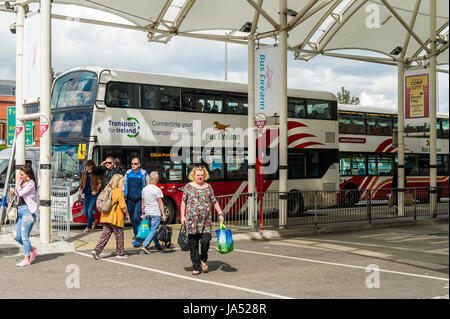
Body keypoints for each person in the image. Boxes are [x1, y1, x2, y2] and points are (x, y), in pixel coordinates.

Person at [180, 166, 225, 275]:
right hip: (192, 221)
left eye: (202, 175)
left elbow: (214, 201)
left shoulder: (208, 187)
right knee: (194, 245)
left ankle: (202, 259)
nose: (200, 177)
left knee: (206, 240)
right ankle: (196, 267)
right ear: (193, 176)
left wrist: (220, 213)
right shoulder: (188, 187)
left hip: (205, 221)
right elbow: (183, 202)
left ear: (204, 175)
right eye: (198, 175)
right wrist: (183, 216)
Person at [92, 174, 130, 260]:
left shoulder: (106, 189)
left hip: (105, 216)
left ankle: (96, 250)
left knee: (105, 235)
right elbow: (123, 206)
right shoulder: (118, 191)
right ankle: (120, 253)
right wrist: (127, 214)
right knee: (119, 234)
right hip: (115, 217)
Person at [10, 166, 38, 267]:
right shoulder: (23, 183)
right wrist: (13, 193)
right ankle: (33, 250)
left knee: (24, 236)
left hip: (28, 212)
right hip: (20, 211)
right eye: (20, 174)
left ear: (28, 175)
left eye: (22, 175)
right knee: (16, 236)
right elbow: (18, 196)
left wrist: (17, 184)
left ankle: (27, 259)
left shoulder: (31, 183)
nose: (20, 176)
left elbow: (21, 193)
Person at [124, 158, 150, 247]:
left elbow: (147, 187)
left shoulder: (144, 173)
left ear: (139, 164)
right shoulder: (128, 173)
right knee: (132, 219)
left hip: (139, 199)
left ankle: (138, 238)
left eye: (135, 164)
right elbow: (124, 185)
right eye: (132, 164)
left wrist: (146, 201)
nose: (133, 165)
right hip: (130, 200)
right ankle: (138, 235)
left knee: (136, 218)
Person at [140, 171, 167, 254]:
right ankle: (145, 245)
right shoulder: (157, 190)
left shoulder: (144, 189)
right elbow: (160, 203)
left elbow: (143, 202)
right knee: (154, 230)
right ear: (155, 180)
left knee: (152, 230)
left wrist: (143, 213)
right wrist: (163, 214)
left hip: (148, 212)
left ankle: (157, 245)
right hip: (155, 212)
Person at [78, 160, 102, 232]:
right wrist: (80, 187)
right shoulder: (84, 174)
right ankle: (94, 220)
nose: (86, 167)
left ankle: (87, 227)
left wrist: (96, 190)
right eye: (86, 165)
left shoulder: (95, 174)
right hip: (86, 194)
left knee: (89, 211)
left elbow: (99, 183)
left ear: (92, 166)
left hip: (93, 195)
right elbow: (82, 182)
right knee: (85, 212)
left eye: (88, 165)